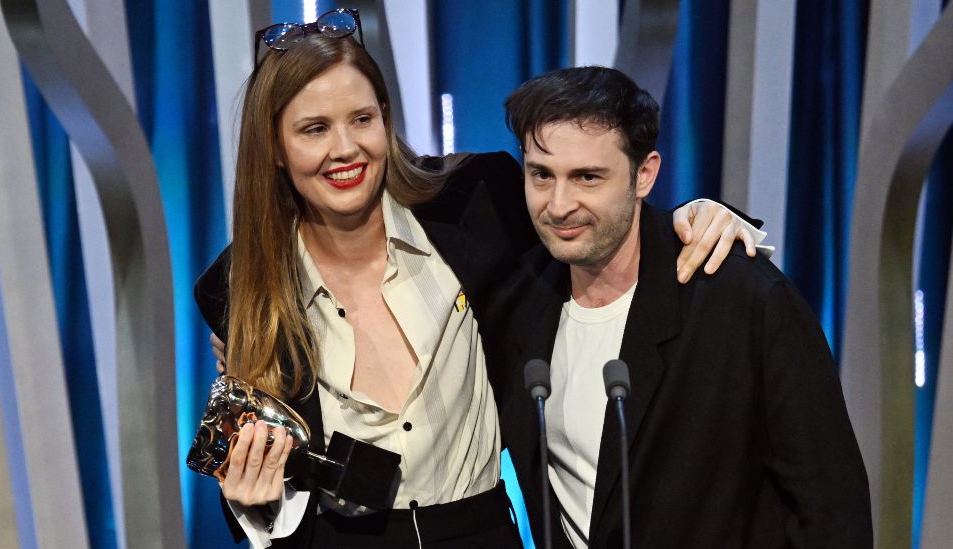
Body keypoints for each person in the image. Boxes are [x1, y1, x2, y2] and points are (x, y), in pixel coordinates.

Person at [194, 9, 762, 549]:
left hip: (481, 530)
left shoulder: (476, 200)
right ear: (274, 147)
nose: (346, 148)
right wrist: (255, 504)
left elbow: (586, 222)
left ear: (386, 121)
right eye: (314, 129)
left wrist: (690, 216)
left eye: (362, 119)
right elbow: (261, 462)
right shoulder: (237, 285)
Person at [495, 66, 873, 548]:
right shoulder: (517, 301)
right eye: (541, 176)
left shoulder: (742, 301)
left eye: (588, 177)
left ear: (645, 174)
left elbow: (832, 509)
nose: (559, 204)